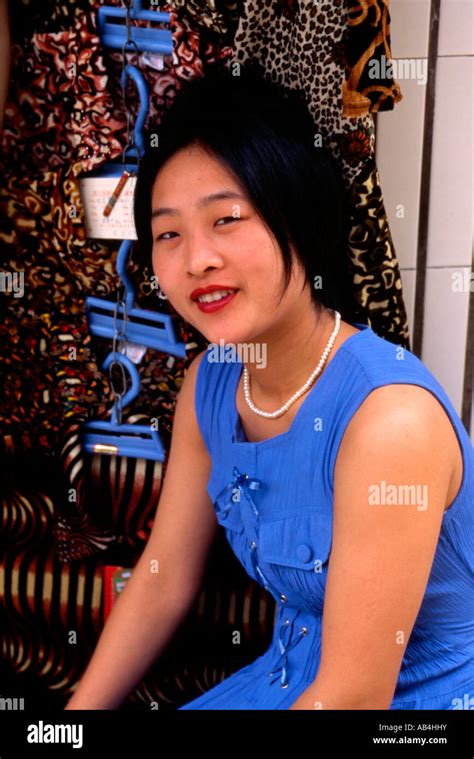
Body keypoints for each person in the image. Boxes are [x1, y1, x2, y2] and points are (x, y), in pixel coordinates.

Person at [66, 62, 474, 711]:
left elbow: (354, 694)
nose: (196, 258)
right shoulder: (211, 384)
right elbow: (164, 578)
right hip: (290, 680)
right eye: (169, 233)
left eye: (226, 219)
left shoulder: (389, 420)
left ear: (300, 218)